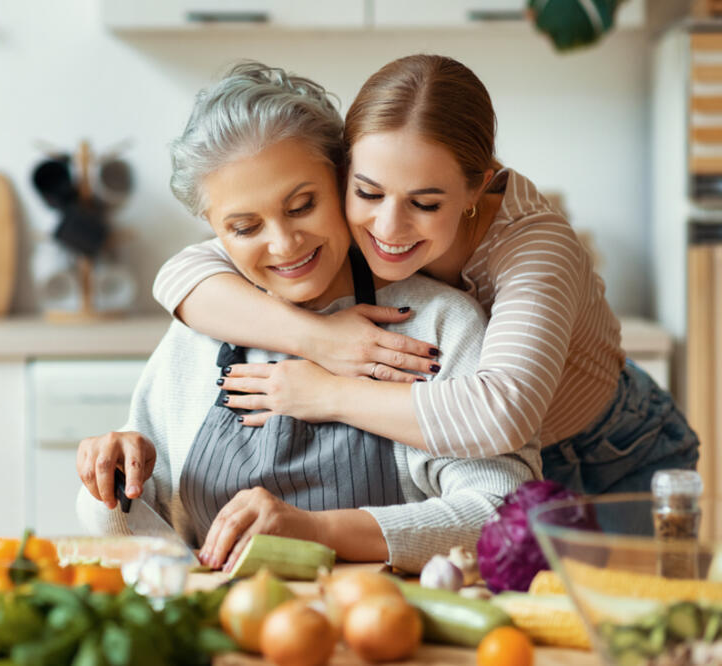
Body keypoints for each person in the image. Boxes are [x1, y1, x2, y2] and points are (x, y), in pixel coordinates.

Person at [151, 54, 698, 497]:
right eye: (366, 192)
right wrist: (320, 338)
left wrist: (326, 393)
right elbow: (184, 272)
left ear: (477, 187)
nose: (386, 228)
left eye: (426, 203)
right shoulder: (329, 219)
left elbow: (499, 414)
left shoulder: (535, 247)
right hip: (484, 462)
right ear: (344, 171)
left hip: (606, 453)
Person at [76, 62, 540, 574]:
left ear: (342, 178)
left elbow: (503, 514)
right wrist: (114, 487)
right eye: (245, 226)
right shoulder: (200, 328)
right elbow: (154, 541)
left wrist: (316, 532)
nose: (284, 244)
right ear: (214, 231)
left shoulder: (435, 324)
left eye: (301, 205)